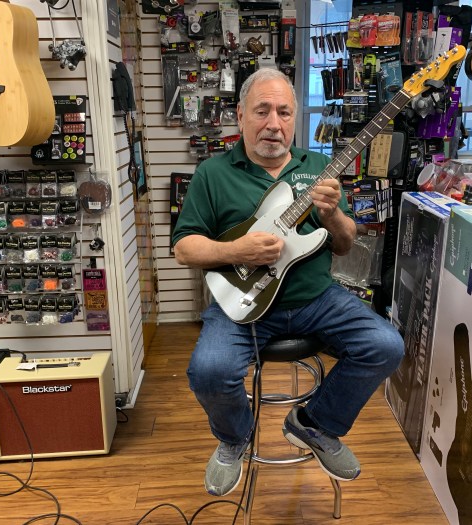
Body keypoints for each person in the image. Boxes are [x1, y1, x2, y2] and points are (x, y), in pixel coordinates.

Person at [172, 68, 404, 497]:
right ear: (240, 116)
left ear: (294, 119)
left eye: (284, 112)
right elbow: (185, 249)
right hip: (242, 306)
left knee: (386, 345)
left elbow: (344, 243)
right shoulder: (213, 173)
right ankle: (234, 438)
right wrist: (235, 252)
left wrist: (333, 215)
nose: (273, 123)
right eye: (262, 111)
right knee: (208, 371)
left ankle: (313, 424)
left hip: (316, 299)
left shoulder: (318, 168)